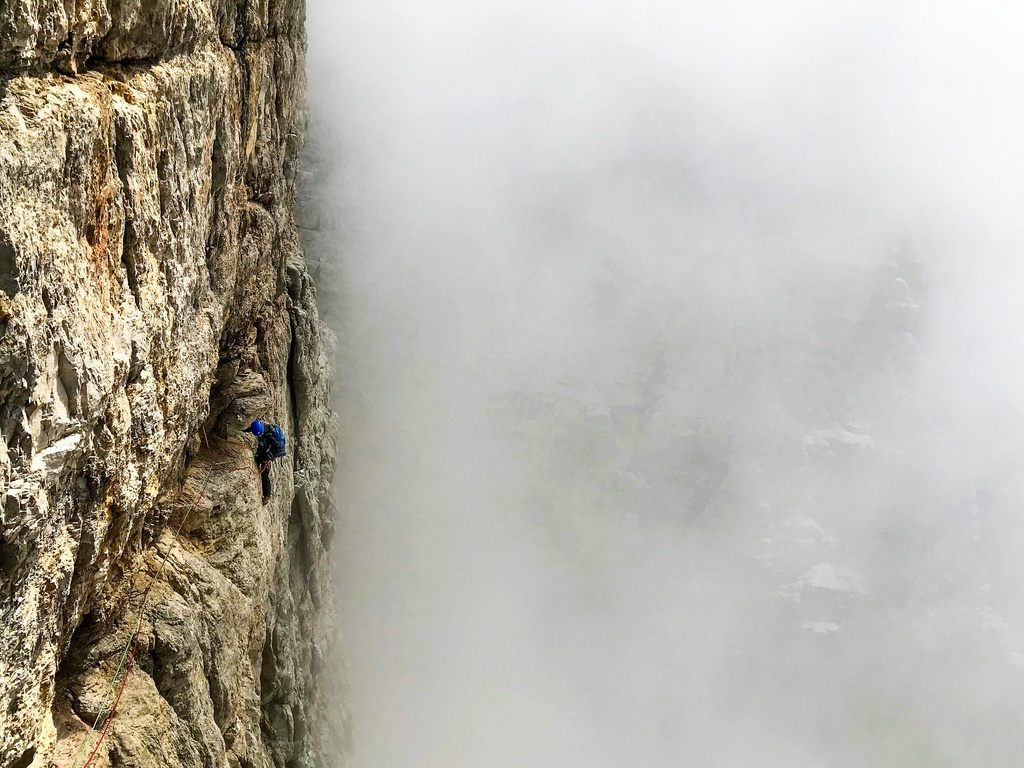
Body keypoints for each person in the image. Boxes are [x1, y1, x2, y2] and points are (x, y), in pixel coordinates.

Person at [242, 419, 287, 504]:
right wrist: (241, 430)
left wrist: (271, 458)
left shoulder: (269, 436)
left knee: (265, 474)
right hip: (263, 449)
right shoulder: (258, 427)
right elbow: (251, 429)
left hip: (268, 454)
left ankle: (267, 495)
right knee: (257, 459)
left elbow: (279, 449)